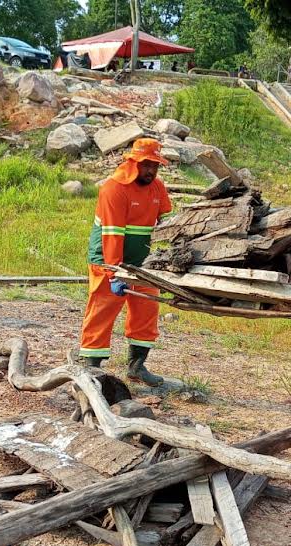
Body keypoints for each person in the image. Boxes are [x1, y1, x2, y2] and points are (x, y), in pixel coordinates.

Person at [79, 139, 172, 384]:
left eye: (155, 165)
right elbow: (112, 235)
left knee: (146, 312)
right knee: (102, 310)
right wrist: (114, 273)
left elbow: (166, 219)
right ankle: (92, 368)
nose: (151, 170)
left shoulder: (157, 187)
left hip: (142, 262)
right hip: (108, 261)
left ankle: (137, 367)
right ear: (132, 162)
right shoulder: (114, 189)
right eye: (146, 165)